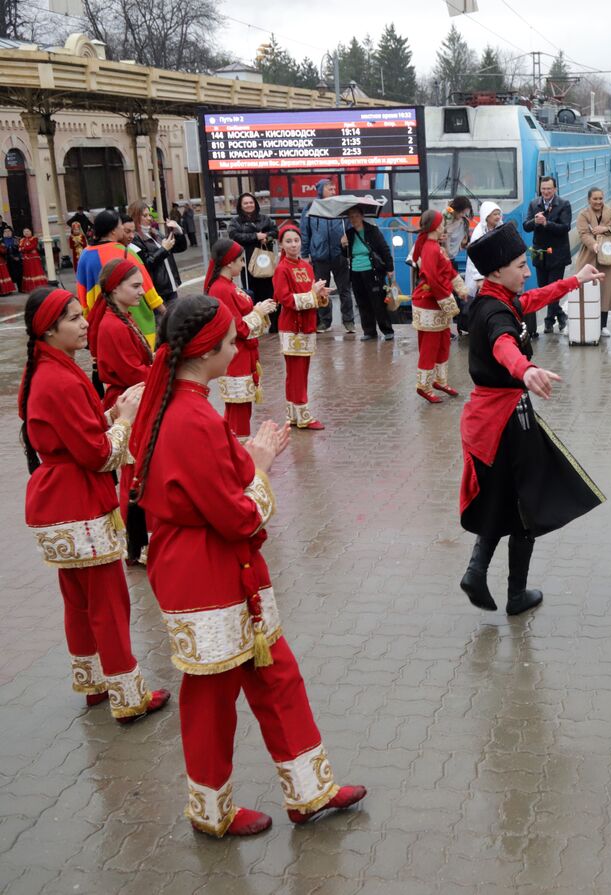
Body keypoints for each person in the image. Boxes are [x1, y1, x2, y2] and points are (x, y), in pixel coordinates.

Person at [128, 295, 366, 838]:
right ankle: (211, 811)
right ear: (208, 351)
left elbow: (214, 473)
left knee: (277, 674)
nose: (238, 349)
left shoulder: (183, 405)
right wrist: (259, 467)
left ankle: (309, 790)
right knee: (211, 698)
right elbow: (236, 517)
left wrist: (253, 452)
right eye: (231, 342)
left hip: (223, 571)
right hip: (206, 575)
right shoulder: (190, 417)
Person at [19, 286, 171, 723]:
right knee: (109, 603)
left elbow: (73, 434)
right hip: (79, 502)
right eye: (72, 318)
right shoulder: (59, 378)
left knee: (79, 601)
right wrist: (123, 421)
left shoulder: (48, 370)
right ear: (48, 330)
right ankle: (128, 696)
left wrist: (109, 415)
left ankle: (94, 683)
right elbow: (98, 454)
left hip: (56, 500)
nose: (84, 323)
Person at [458, 224, 607, 616]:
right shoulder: (495, 313)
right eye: (521, 266)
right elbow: (503, 344)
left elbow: (535, 298)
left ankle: (476, 572)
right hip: (507, 418)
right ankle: (516, 594)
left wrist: (574, 280)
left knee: (501, 498)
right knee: (529, 503)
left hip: (485, 419)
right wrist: (525, 371)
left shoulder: (495, 299)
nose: (527, 273)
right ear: (495, 272)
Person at [88, 258, 155, 565]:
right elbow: (132, 371)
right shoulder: (114, 325)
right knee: (133, 472)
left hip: (134, 396)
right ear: (115, 289)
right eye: (136, 285)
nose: (143, 291)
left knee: (139, 468)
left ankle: (142, 538)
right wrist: (160, 372)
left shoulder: (122, 317)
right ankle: (137, 542)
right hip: (129, 400)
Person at [204, 238, 277, 438]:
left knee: (242, 409)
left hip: (242, 355)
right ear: (229, 262)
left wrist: (258, 310)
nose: (243, 264)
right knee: (238, 411)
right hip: (235, 357)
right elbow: (237, 327)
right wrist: (259, 312)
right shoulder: (221, 288)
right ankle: (238, 454)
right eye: (241, 260)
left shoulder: (227, 285)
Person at [75, 211, 164, 349]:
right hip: (135, 318)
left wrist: (88, 319)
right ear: (113, 231)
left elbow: (82, 291)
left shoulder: (85, 255)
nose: (123, 228)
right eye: (120, 226)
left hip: (100, 322)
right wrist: (164, 310)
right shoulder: (125, 252)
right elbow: (146, 285)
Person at [272, 222, 330, 430]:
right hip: (291, 326)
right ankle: (303, 416)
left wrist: (321, 296)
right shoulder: (281, 269)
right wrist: (313, 294)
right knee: (295, 372)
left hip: (307, 324)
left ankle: (293, 415)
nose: (293, 245)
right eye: (288, 241)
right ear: (281, 245)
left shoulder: (306, 266)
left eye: (296, 240)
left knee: (301, 372)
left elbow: (312, 296)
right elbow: (285, 299)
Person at [410, 210, 466, 404]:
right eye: (442, 223)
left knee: (443, 343)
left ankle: (439, 380)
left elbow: (447, 270)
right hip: (430, 303)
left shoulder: (434, 246)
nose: (444, 225)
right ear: (435, 226)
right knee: (430, 347)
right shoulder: (431, 248)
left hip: (435, 304)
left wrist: (460, 287)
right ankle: (423, 386)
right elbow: (433, 279)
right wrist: (450, 301)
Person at [299, 179, 354, 335]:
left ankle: (349, 321)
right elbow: (305, 232)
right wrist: (305, 254)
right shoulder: (311, 208)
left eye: (333, 188)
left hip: (340, 255)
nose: (333, 191)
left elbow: (349, 226)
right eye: (329, 188)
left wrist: (348, 239)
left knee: (345, 289)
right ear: (320, 190)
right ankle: (324, 321)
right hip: (319, 255)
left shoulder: (340, 207)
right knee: (321, 290)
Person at [522, 175, 573, 335]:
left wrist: (546, 223)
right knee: (544, 288)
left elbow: (565, 227)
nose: (546, 192)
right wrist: (534, 222)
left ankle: (549, 322)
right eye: (543, 189)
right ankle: (561, 314)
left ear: (555, 189)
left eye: (549, 189)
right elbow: (526, 226)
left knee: (553, 287)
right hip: (540, 253)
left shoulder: (564, 204)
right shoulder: (533, 204)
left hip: (557, 253)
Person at [575, 187, 611, 336]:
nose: (598, 202)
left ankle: (603, 325)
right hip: (589, 257)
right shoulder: (583, 215)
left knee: (606, 290)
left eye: (600, 198)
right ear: (589, 200)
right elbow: (583, 234)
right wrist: (594, 245)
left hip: (609, 257)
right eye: (595, 199)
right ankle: (586, 322)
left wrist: (605, 229)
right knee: (585, 289)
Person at [342, 206, 397, 342]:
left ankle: (387, 330)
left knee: (378, 302)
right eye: (351, 216)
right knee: (362, 303)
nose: (353, 219)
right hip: (355, 272)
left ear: (361, 216)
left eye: (356, 215)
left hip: (372, 271)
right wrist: (342, 245)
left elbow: (384, 249)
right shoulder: (348, 234)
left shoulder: (372, 231)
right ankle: (369, 331)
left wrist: (389, 268)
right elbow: (346, 255)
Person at [227, 192, 278, 307]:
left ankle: (270, 315)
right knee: (250, 290)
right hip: (246, 260)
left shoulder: (265, 218)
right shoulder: (236, 221)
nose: (249, 205)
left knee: (268, 289)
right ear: (241, 205)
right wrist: (255, 236)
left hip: (264, 260)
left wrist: (266, 237)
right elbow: (234, 235)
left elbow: (275, 232)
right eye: (245, 203)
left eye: (251, 202)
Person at [126, 201, 180, 306]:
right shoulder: (134, 238)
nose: (149, 218)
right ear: (135, 217)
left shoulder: (155, 232)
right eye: (144, 215)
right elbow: (145, 264)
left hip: (170, 285)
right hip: (158, 289)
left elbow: (179, 247)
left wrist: (176, 230)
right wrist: (163, 249)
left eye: (149, 215)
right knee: (163, 320)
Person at [444, 196, 476, 338]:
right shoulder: (443, 219)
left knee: (450, 294)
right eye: (462, 212)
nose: (464, 215)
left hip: (450, 260)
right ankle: (444, 329)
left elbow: (463, 243)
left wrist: (468, 245)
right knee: (444, 294)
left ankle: (449, 328)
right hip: (440, 261)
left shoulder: (463, 223)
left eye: (466, 213)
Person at [19, 227, 48, 291]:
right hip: (26, 259)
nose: (26, 233)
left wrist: (24, 248)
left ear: (31, 232)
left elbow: (32, 247)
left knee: (36, 271)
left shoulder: (34, 238)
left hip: (34, 258)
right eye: (25, 232)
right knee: (28, 272)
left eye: (28, 231)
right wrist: (25, 248)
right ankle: (30, 288)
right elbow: (20, 249)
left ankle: (39, 287)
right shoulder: (22, 240)